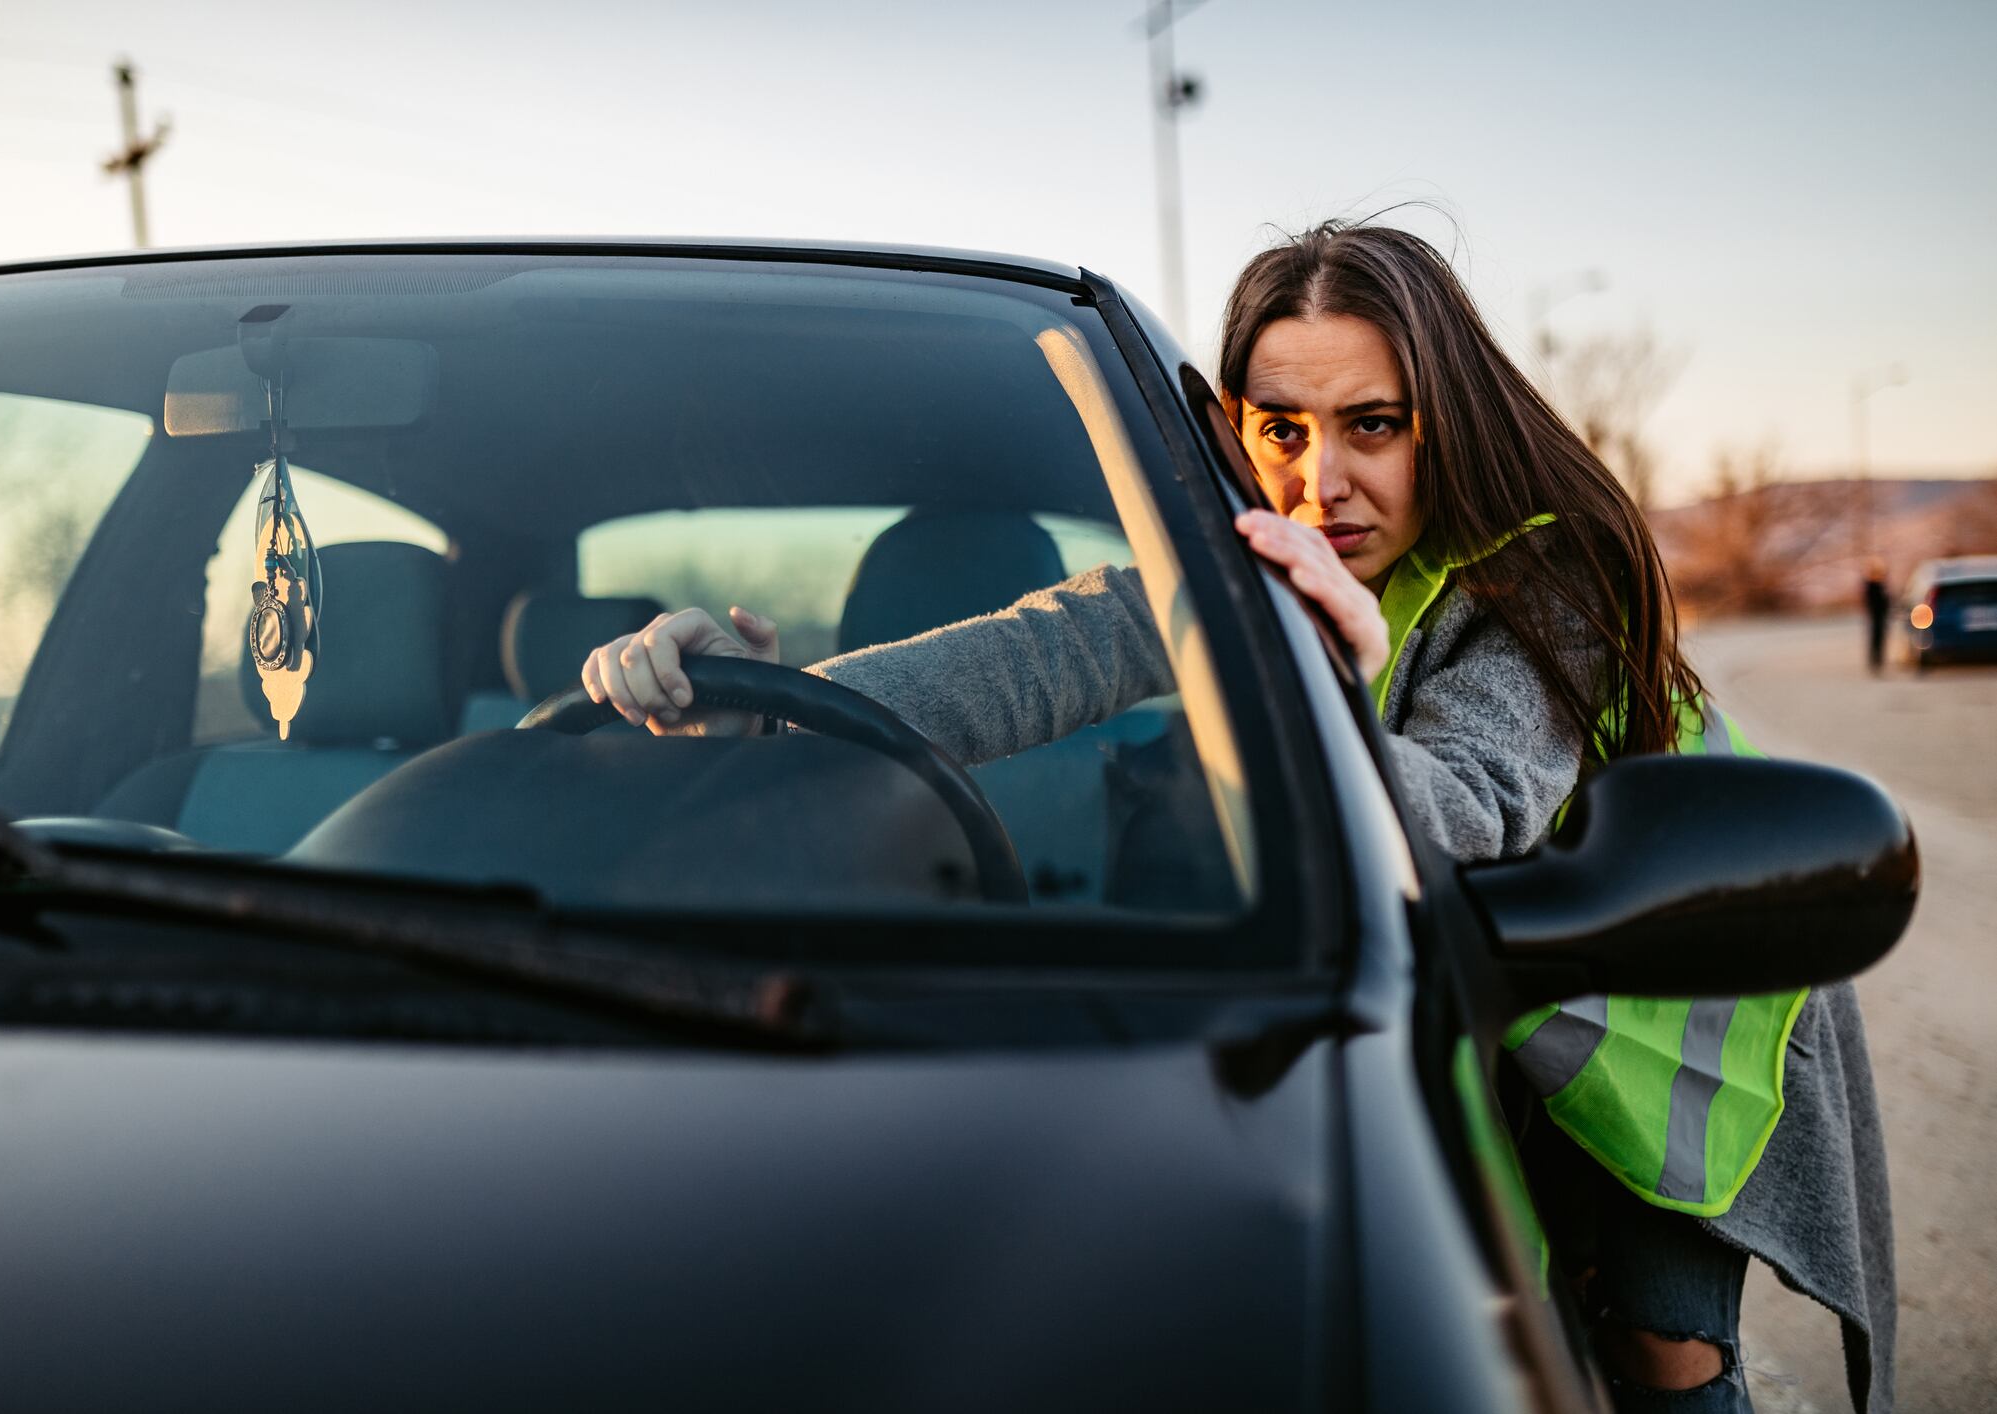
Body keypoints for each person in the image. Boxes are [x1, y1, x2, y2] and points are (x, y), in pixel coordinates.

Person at [581, 221, 1894, 1413]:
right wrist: (773, 704)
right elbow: (1025, 659)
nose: (1322, 480)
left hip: (1676, 998)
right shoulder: (1246, 552)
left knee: (1662, 1344)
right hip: (1504, 991)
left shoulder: (1549, 574)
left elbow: (1477, 810)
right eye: (1281, 428)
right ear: (1234, 431)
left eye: (1373, 425)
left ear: (1444, 420)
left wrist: (1338, 674)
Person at [1864, 559, 1891, 673]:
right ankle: (1875, 661)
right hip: (1876, 616)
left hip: (1881, 616)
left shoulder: (1880, 585)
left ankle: (1879, 660)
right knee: (1876, 639)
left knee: (1880, 639)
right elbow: (1873, 602)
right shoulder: (1872, 586)